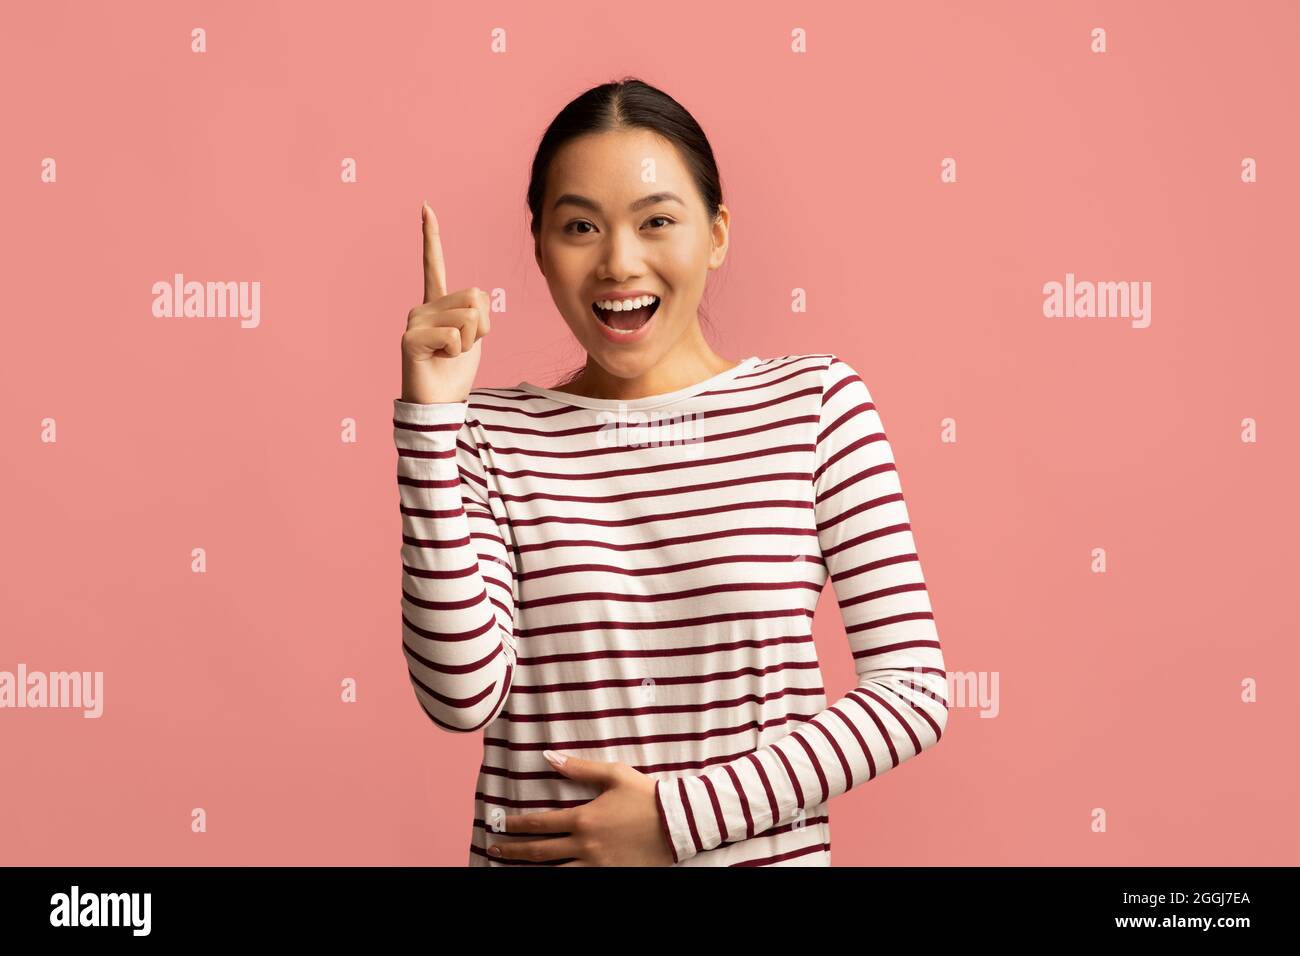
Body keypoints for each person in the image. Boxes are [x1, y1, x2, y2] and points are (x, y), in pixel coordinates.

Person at [393, 77, 948, 866]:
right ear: (541, 247)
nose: (620, 262)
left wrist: (677, 818)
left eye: (657, 221)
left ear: (716, 234)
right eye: (580, 226)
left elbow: (913, 693)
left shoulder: (816, 405)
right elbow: (459, 696)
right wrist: (430, 423)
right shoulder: (489, 431)